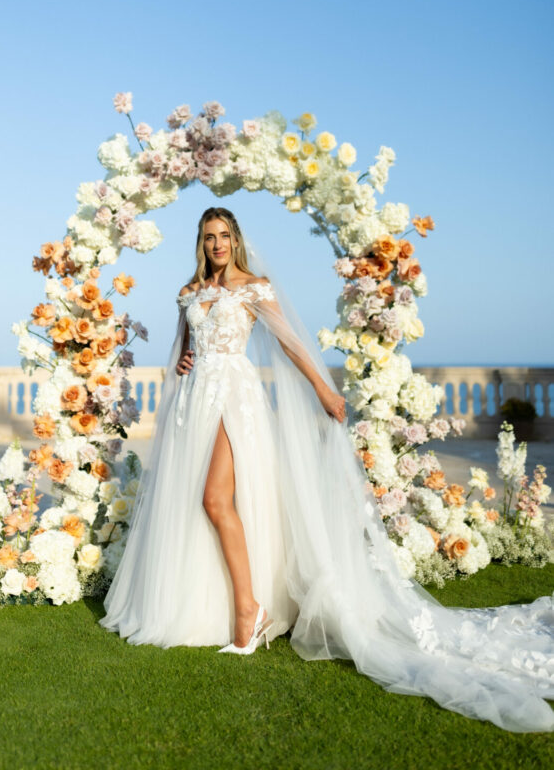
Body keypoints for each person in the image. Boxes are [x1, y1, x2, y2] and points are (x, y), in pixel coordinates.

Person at [100, 207, 554, 733]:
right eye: (210, 237)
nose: (218, 244)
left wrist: (321, 387)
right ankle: (224, 606)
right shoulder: (190, 292)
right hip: (193, 403)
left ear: (236, 240)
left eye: (225, 236)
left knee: (214, 500)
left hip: (234, 398)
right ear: (200, 243)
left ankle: (250, 611)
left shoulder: (255, 287)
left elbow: (290, 342)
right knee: (199, 505)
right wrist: (183, 361)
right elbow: (184, 348)